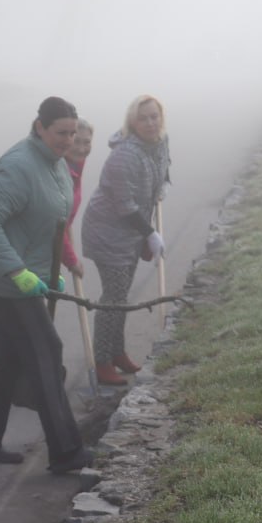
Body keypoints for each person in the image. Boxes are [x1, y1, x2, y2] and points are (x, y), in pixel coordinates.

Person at [0, 96, 94, 474]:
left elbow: (51, 221)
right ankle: (66, 452)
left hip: (25, 277)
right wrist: (18, 271)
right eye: (60, 132)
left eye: (72, 133)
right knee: (46, 351)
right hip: (3, 281)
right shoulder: (19, 166)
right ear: (40, 127)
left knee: (7, 360)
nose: (67, 140)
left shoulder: (55, 163)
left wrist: (48, 270)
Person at [80, 94, 171, 386]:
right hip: (107, 232)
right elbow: (125, 206)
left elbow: (162, 172)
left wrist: (161, 188)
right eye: (143, 118)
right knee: (113, 298)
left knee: (121, 295)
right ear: (132, 122)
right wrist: (150, 233)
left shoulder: (159, 142)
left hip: (130, 231)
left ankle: (117, 352)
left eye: (154, 116)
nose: (150, 123)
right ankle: (102, 361)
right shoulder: (124, 155)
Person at [61, 119, 95, 280]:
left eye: (86, 142)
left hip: (51, 247)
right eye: (76, 141)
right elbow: (52, 225)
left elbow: (65, 220)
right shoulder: (59, 171)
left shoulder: (77, 163)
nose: (81, 149)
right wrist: (71, 260)